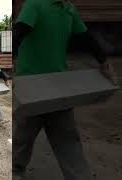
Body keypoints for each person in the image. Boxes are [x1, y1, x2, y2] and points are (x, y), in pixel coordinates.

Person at [12, 0, 112, 179]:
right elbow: (18, 33)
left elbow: (85, 37)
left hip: (45, 87)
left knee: (45, 139)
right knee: (37, 139)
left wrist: (103, 60)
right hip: (45, 88)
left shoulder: (54, 7)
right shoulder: (51, 6)